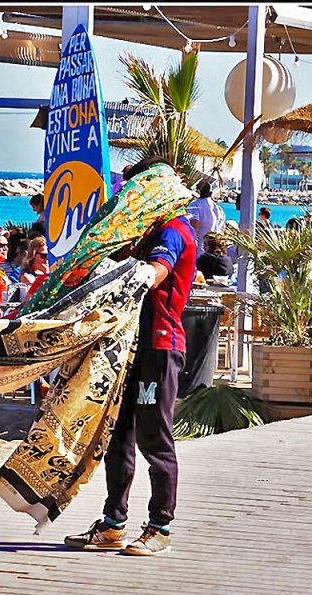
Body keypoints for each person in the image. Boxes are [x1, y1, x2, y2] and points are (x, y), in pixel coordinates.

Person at [64, 156, 196, 558]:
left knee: (154, 437)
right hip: (125, 346)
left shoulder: (173, 231)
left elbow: (156, 272)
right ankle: (112, 523)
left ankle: (160, 527)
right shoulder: (144, 232)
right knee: (118, 435)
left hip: (159, 345)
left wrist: (127, 271)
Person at [187, 179, 225, 249]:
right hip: (216, 248)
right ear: (210, 193)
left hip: (201, 247)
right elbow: (222, 230)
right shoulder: (219, 209)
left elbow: (194, 229)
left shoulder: (195, 206)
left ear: (198, 191)